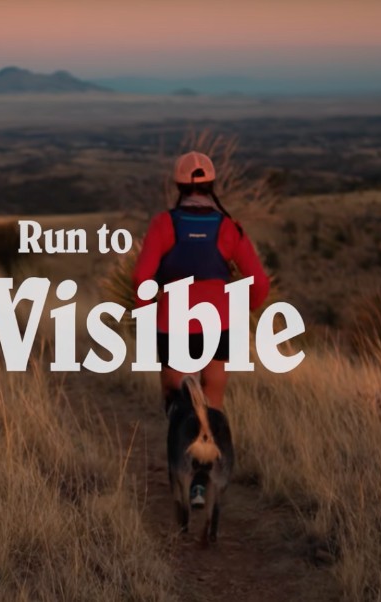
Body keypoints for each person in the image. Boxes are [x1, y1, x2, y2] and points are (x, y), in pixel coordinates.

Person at [131, 150, 270, 506]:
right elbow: (260, 283)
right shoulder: (229, 228)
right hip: (220, 327)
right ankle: (206, 477)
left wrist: (146, 316)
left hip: (173, 325)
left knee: (176, 398)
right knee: (214, 401)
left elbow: (141, 278)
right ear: (212, 185)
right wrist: (241, 308)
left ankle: (182, 464)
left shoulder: (164, 224)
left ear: (179, 185)